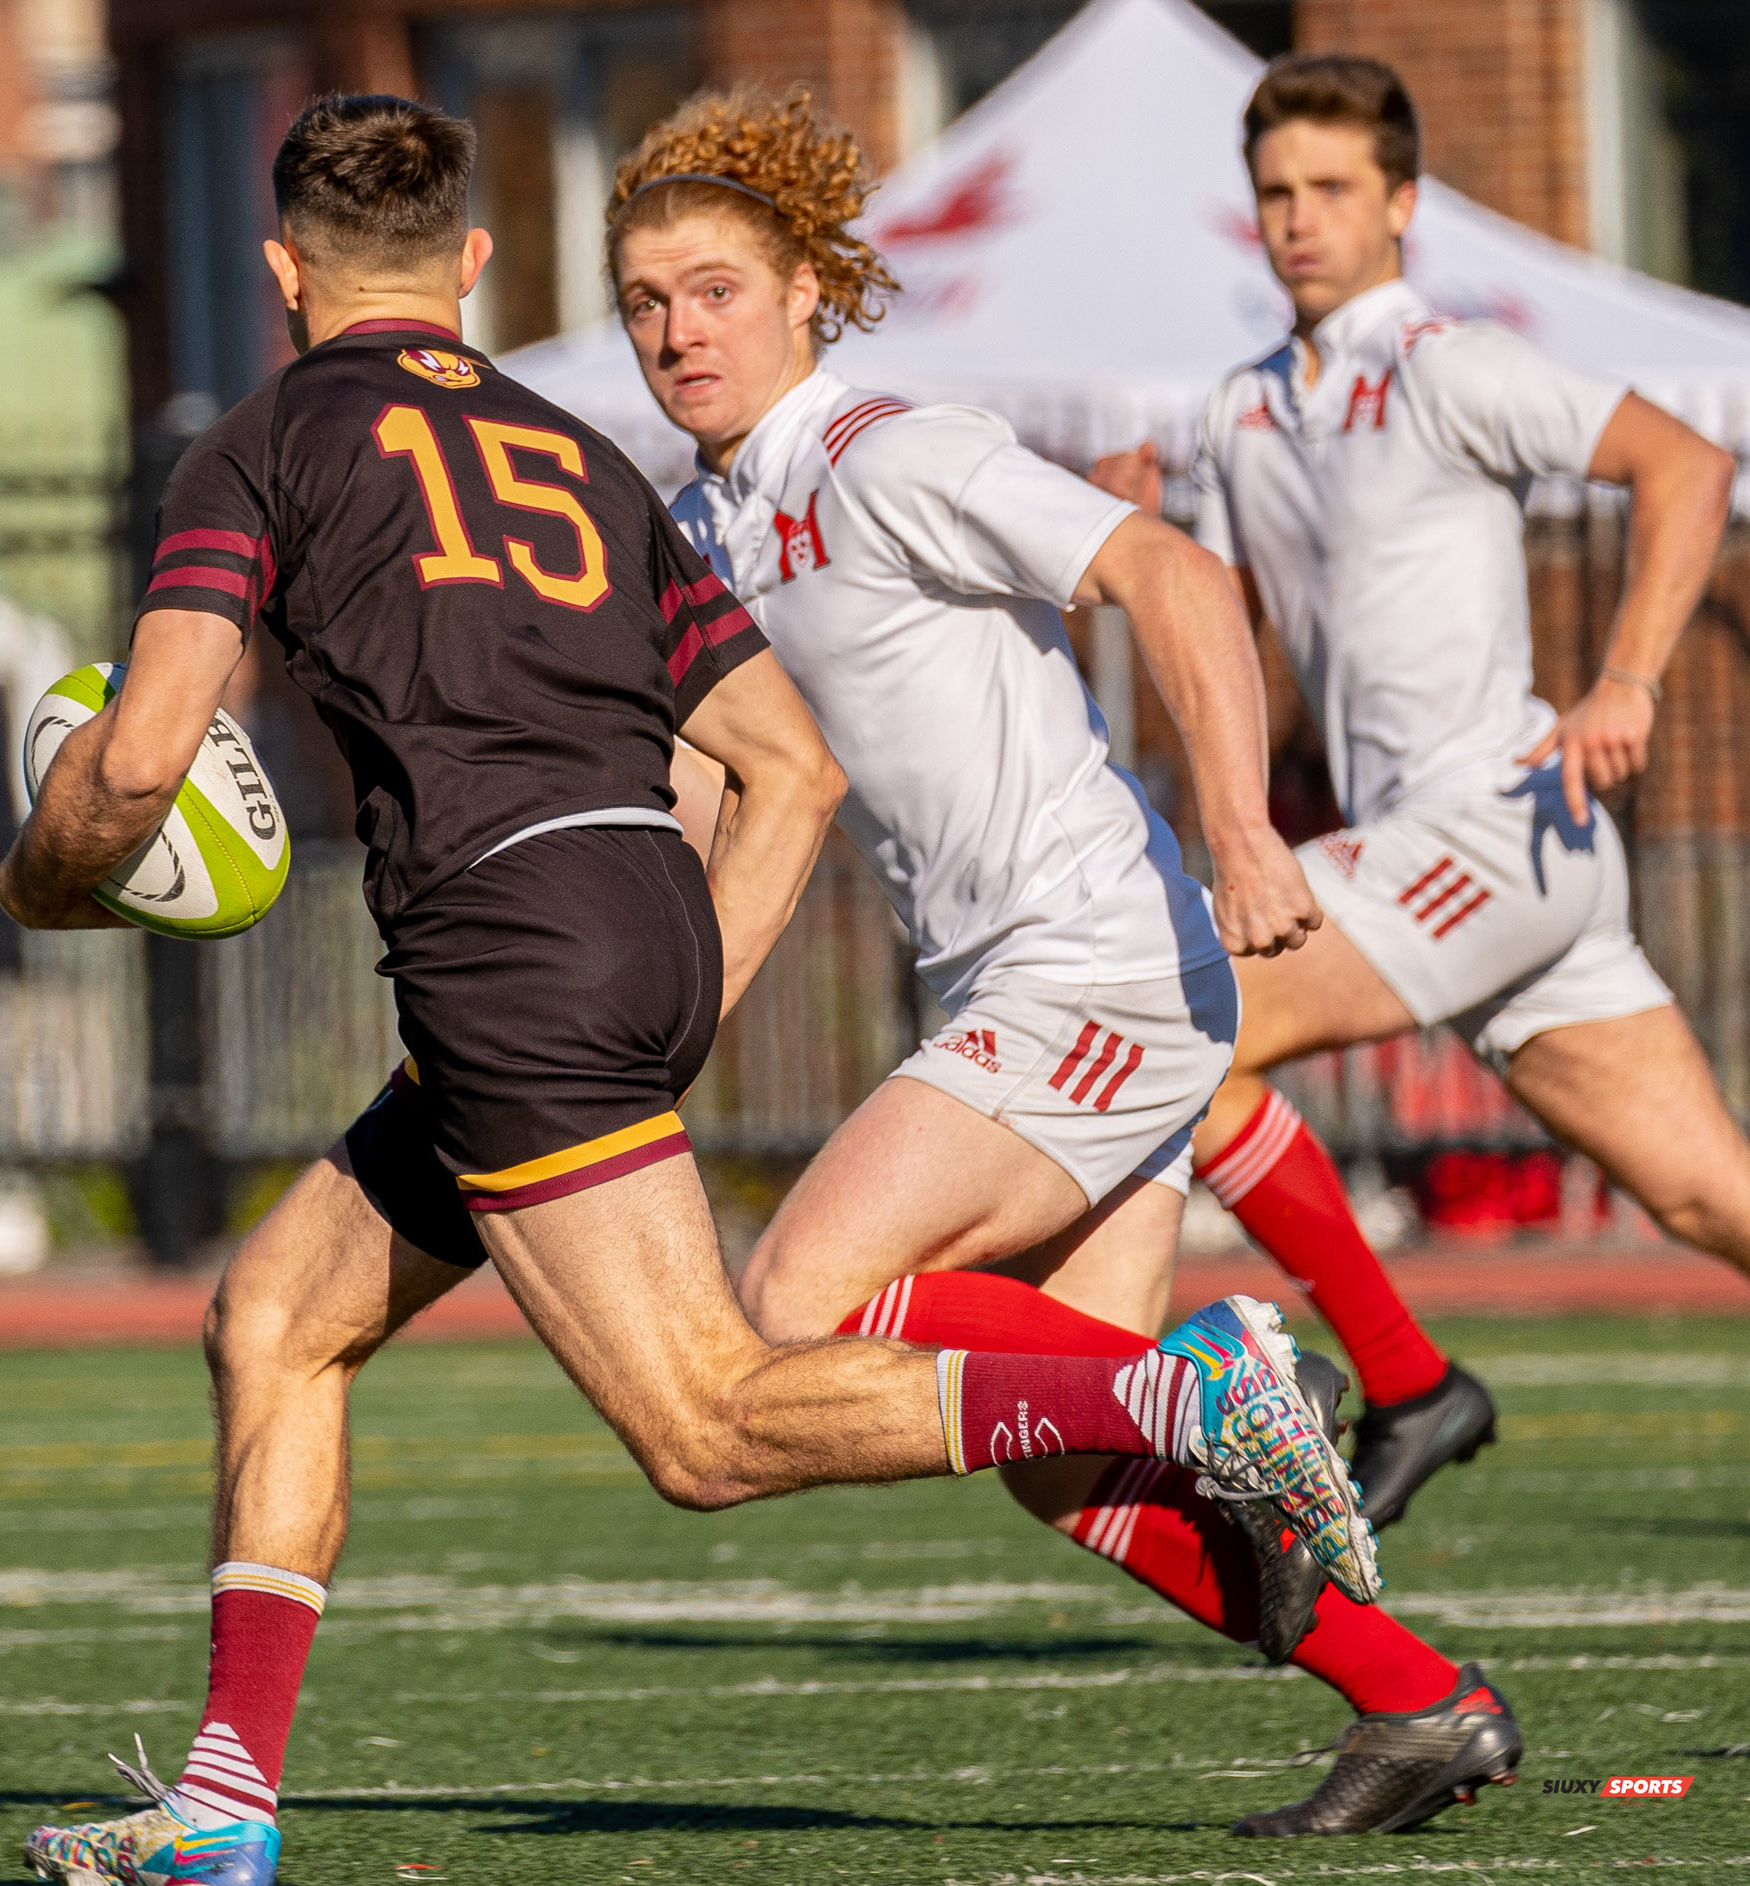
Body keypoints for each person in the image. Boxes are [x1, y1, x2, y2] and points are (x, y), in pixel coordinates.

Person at [0, 95, 1368, 1886]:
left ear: (281, 272)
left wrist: (46, 880)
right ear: (471, 264)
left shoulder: (259, 446)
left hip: (506, 960)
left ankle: (1183, 1402)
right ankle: (221, 1807)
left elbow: (137, 757)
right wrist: (668, 997)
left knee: (709, 1428)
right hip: (637, 922)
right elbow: (789, 764)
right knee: (273, 1319)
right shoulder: (583, 452)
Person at [610, 86, 1515, 1840]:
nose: (676, 332)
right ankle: (1419, 1700)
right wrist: (637, 1006)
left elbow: (1176, 575)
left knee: (794, 1304)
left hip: (1091, 963)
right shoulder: (705, 527)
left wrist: (1242, 828)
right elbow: (713, 792)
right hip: (1029, 987)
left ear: (806, 290)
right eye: (646, 302)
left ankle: (1211, 1381)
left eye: (714, 291)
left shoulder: (887, 449)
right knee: (1061, 1458)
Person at [1092, 52, 1744, 1536]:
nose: (1300, 218)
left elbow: (1690, 466)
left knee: (1184, 1018)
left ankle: (1407, 1380)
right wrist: (1134, 548)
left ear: (1402, 204)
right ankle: (1405, 1382)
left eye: (1332, 188)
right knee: (1711, 1200)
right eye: (1277, 192)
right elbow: (1236, 632)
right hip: (1448, 859)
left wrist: (1629, 681)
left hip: (1493, 831)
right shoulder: (1243, 411)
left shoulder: (1451, 363)